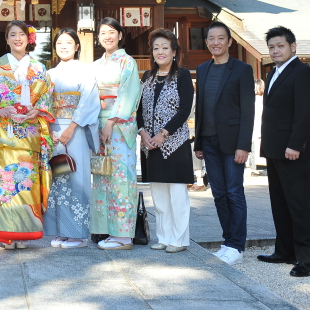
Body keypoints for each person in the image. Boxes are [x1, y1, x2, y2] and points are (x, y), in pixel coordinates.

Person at [0, 20, 54, 249]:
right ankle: (6, 234)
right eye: (13, 35)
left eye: (21, 34)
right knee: (6, 185)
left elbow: (47, 96)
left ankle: (24, 233)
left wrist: (36, 110)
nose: (17, 38)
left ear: (28, 39)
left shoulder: (39, 68)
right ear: (7, 39)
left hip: (29, 134)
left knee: (26, 184)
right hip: (4, 133)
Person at [257, 26, 310, 278]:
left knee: (301, 205)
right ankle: (284, 250)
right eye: (271, 47)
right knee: (280, 203)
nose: (275, 50)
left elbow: (305, 112)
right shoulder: (272, 73)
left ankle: (306, 258)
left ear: (293, 46)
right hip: (274, 149)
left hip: (296, 150)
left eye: (280, 46)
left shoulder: (303, 73)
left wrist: (295, 144)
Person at [193, 21, 255, 265]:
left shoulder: (241, 69)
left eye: (221, 38)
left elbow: (247, 110)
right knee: (218, 193)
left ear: (229, 42)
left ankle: (237, 246)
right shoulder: (203, 68)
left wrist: (244, 145)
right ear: (206, 42)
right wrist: (198, 142)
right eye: (211, 38)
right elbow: (201, 109)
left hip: (232, 143)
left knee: (234, 192)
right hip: (208, 141)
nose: (216, 42)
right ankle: (227, 241)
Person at [138, 29, 195, 253]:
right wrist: (143, 133)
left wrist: (163, 133)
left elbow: (184, 111)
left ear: (174, 52)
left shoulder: (182, 75)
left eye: (165, 47)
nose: (160, 51)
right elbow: (139, 109)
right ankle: (163, 237)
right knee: (159, 197)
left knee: (177, 196)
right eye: (156, 48)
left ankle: (179, 240)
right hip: (150, 145)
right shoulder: (147, 77)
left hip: (175, 144)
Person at [43, 28, 100, 249]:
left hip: (75, 131)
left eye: (69, 42)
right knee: (58, 178)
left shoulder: (85, 72)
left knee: (77, 178)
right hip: (54, 130)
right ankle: (60, 231)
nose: (64, 46)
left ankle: (77, 234)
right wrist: (49, 128)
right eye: (60, 43)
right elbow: (44, 103)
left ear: (77, 46)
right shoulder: (49, 74)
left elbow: (89, 101)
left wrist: (72, 126)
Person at [91, 17, 142, 251]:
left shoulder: (127, 62)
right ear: (98, 37)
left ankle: (123, 236)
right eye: (103, 32)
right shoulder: (95, 65)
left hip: (119, 125)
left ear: (121, 35)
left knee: (121, 178)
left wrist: (111, 121)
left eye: (112, 32)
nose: (108, 36)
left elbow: (129, 94)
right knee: (102, 177)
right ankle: (105, 230)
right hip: (99, 124)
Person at [250, 79, 266, 175]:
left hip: (253, 126)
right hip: (261, 126)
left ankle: (253, 168)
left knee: (253, 148)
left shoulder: (251, 100)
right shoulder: (263, 100)